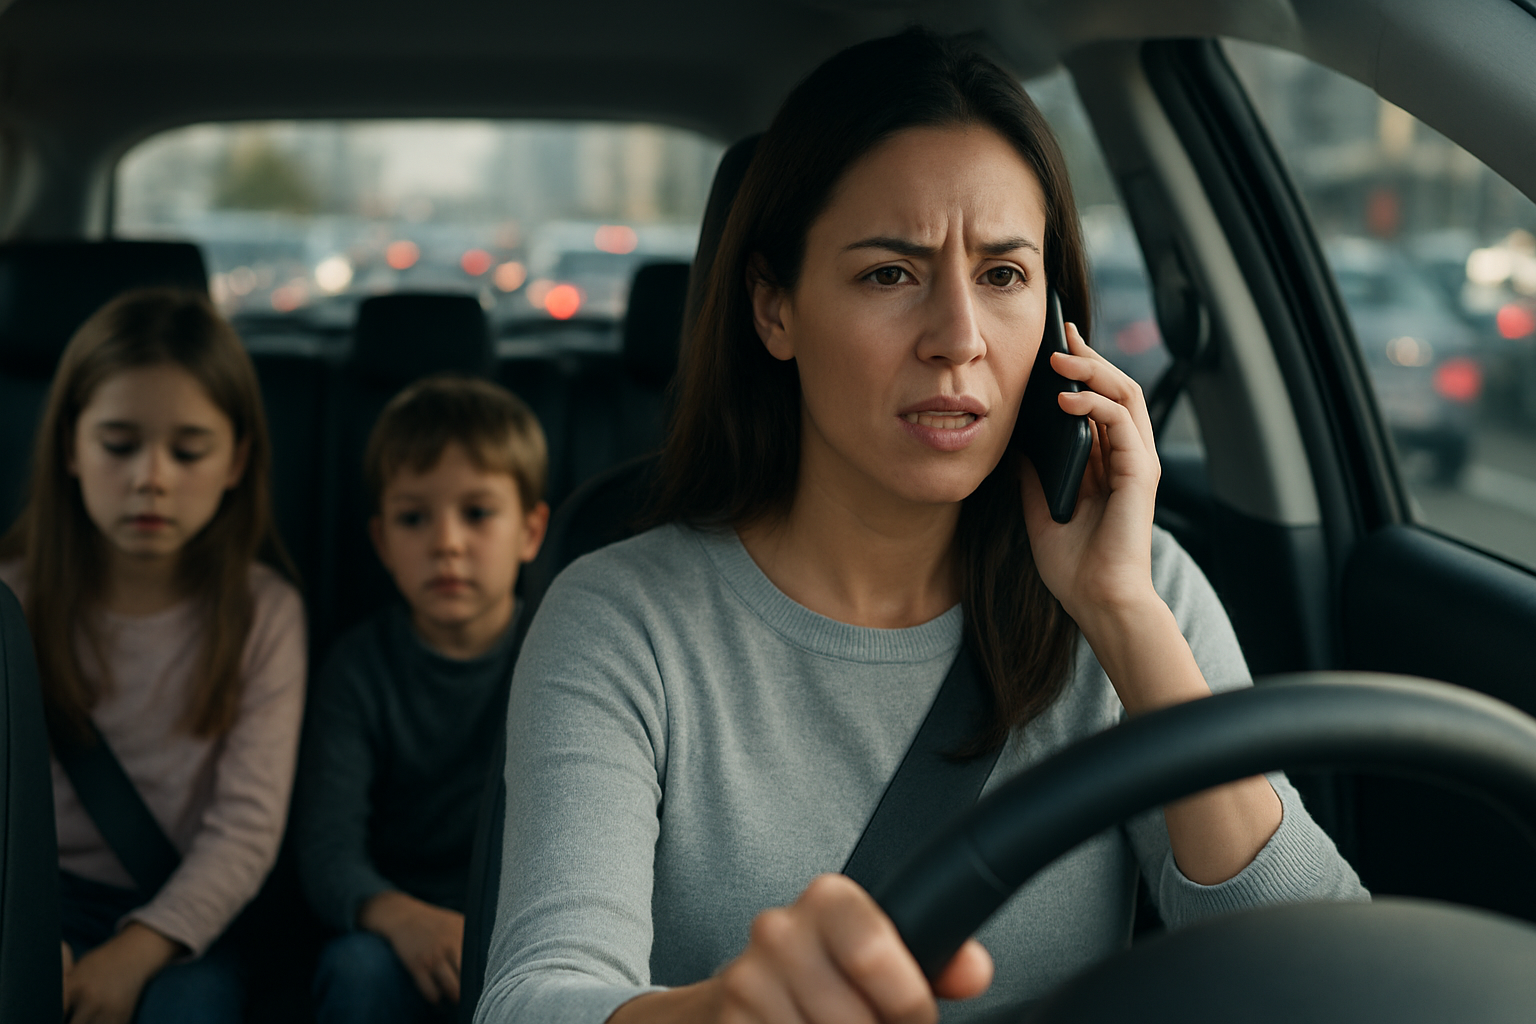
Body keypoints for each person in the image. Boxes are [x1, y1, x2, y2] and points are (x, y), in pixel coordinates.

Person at [474, 29, 1368, 1024]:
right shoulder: (620, 619)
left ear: (1061, 321)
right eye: (890, 274)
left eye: (1003, 275)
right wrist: (724, 1011)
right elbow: (534, 996)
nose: (958, 339)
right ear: (775, 311)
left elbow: (1323, 968)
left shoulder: (1138, 586)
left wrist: (1122, 616)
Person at [0, 288, 306, 1024]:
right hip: (35, 897)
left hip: (189, 916)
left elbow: (244, 832)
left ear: (236, 461)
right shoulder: (14, 603)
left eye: (188, 450)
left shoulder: (264, 614)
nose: (152, 478)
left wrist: (137, 950)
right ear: (70, 446)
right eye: (119, 444)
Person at [293, 375, 550, 1024]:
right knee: (356, 972)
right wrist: (402, 919)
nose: (446, 543)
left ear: (531, 530)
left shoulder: (562, 656)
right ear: (380, 541)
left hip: (531, 925)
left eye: (477, 513)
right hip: (392, 929)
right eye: (414, 518)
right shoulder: (358, 668)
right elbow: (327, 849)